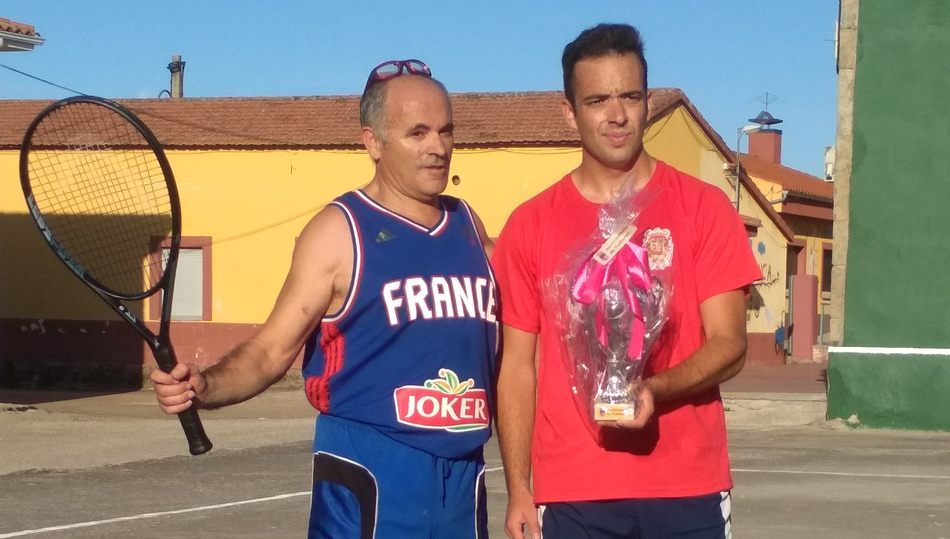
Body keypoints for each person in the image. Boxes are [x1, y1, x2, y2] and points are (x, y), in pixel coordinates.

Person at [151, 59, 498, 539]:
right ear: (372, 142)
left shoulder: (467, 224)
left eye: (446, 131)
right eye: (417, 133)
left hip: (464, 476)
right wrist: (204, 386)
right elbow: (272, 349)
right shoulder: (339, 231)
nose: (437, 148)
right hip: (371, 470)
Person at [491, 24, 762, 539]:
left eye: (630, 97)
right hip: (572, 491)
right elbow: (517, 368)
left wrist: (654, 390)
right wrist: (520, 488)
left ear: (648, 102)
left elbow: (730, 345)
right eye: (597, 100)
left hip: (687, 485)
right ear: (568, 111)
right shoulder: (530, 224)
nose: (616, 116)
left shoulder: (704, 208)